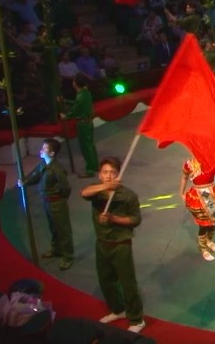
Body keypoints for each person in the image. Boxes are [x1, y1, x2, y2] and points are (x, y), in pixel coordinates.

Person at [81, 157, 145, 334]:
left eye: (112, 173)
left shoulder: (128, 196)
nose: (108, 176)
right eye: (105, 172)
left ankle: (137, 319)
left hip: (120, 244)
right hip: (102, 243)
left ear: (119, 175)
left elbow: (136, 220)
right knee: (106, 280)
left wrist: (113, 219)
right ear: (99, 175)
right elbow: (84, 193)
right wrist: (104, 187)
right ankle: (118, 310)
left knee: (127, 283)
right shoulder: (97, 192)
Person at [18, 139, 74, 271]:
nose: (41, 150)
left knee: (63, 230)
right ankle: (57, 249)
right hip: (47, 202)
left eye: (45, 148)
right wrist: (25, 182)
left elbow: (66, 188)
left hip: (56, 202)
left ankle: (67, 256)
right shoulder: (43, 165)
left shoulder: (57, 169)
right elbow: (36, 176)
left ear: (52, 153)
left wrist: (60, 198)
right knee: (53, 227)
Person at [179, 156, 215, 262]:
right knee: (203, 225)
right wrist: (181, 192)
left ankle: (209, 240)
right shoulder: (189, 164)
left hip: (210, 195)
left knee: (213, 221)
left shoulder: (212, 162)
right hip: (197, 197)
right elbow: (184, 177)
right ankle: (203, 248)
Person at [60, 76, 99, 178]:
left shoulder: (80, 95)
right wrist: (66, 101)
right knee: (90, 145)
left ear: (75, 84)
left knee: (86, 147)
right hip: (88, 122)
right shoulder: (86, 93)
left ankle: (90, 170)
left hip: (83, 124)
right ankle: (95, 166)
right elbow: (78, 103)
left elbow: (75, 109)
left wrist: (66, 116)